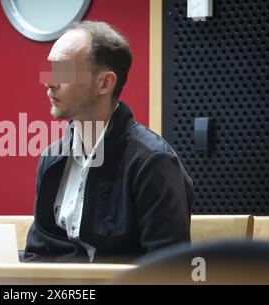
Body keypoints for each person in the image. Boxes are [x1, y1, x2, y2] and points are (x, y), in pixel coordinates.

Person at [24, 21, 194, 263]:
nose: (49, 81)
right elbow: (37, 256)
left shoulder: (153, 162)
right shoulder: (51, 159)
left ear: (105, 83)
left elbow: (167, 270)